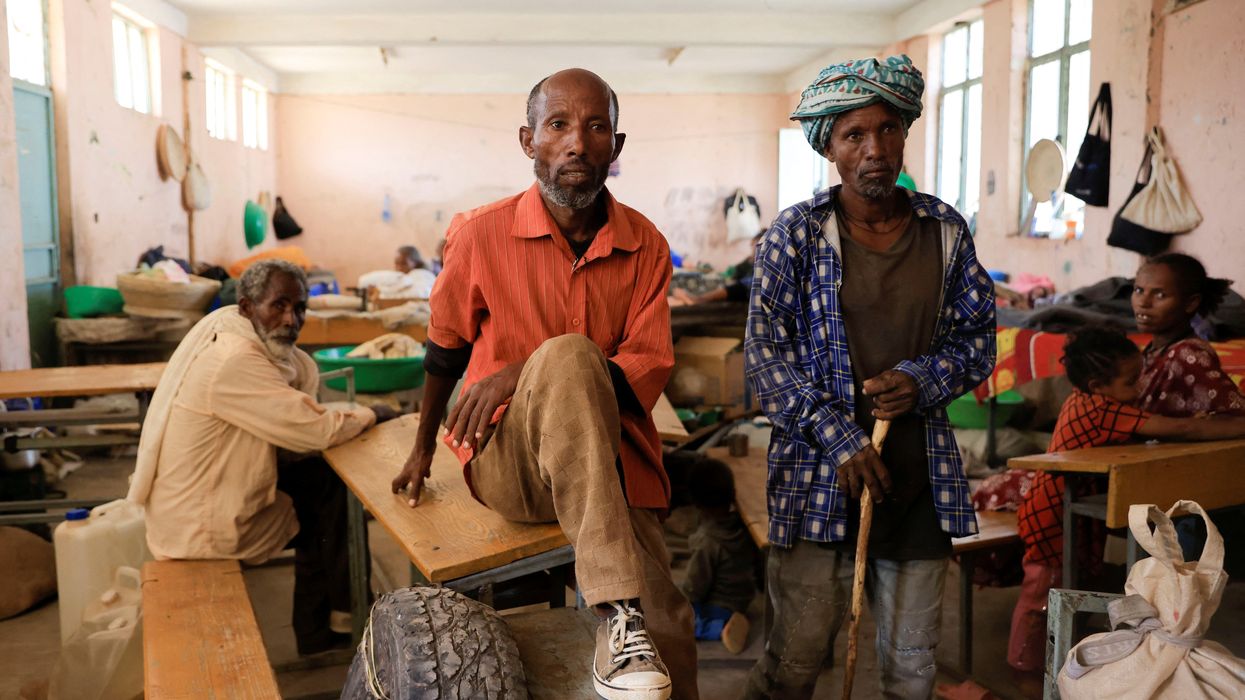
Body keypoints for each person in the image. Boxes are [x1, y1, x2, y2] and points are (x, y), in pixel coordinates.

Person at [389, 68, 697, 700]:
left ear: (617, 145)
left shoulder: (647, 246)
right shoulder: (479, 234)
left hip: (609, 461)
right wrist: (422, 448)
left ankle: (635, 627)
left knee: (670, 626)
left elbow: (648, 364)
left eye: (595, 126)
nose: (577, 143)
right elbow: (445, 348)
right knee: (566, 354)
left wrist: (517, 372)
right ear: (528, 141)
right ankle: (616, 611)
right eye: (558, 125)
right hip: (514, 465)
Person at [742, 55, 997, 699]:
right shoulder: (794, 238)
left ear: (905, 134)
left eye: (887, 130)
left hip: (918, 482)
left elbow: (975, 342)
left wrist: (923, 378)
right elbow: (763, 358)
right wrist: (840, 437)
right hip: (817, 485)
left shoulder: (943, 231)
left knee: (911, 673)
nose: (875, 149)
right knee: (793, 665)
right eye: (854, 135)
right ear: (829, 146)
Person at [126, 260, 396, 655]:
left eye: (300, 308)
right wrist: (375, 412)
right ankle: (336, 622)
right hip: (199, 529)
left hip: (199, 502)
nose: (291, 319)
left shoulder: (234, 337)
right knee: (331, 499)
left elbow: (296, 423)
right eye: (279, 306)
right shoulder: (234, 359)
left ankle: (327, 624)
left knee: (326, 487)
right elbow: (313, 428)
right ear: (248, 308)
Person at [1008, 327, 1245, 673]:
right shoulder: (1101, 408)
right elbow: (1180, 430)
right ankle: (1022, 668)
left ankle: (1063, 658)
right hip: (1053, 516)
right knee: (1040, 594)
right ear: (1097, 386)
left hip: (1066, 511)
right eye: (1131, 382)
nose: (1140, 389)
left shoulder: (1091, 399)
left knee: (1065, 584)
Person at [1132, 253, 1245, 573]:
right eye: (1139, 290)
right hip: (1149, 476)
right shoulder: (1153, 350)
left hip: (1177, 488)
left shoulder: (1189, 354)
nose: (1144, 303)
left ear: (1190, 303)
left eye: (1160, 294)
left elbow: (1236, 414)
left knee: (1173, 585)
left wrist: (1187, 430)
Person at [680, 457, 757, 654]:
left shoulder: (707, 543)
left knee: (675, 621)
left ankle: (719, 629)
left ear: (696, 502)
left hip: (718, 606)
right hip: (743, 598)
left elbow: (695, 587)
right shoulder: (742, 525)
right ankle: (732, 619)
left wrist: (680, 603)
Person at [669, 231, 764, 307]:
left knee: (737, 287)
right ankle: (691, 298)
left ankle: (696, 299)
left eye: (754, 246)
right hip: (736, 283)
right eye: (752, 246)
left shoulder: (761, 266)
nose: (753, 249)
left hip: (741, 287)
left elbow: (740, 282)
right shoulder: (749, 261)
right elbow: (732, 272)